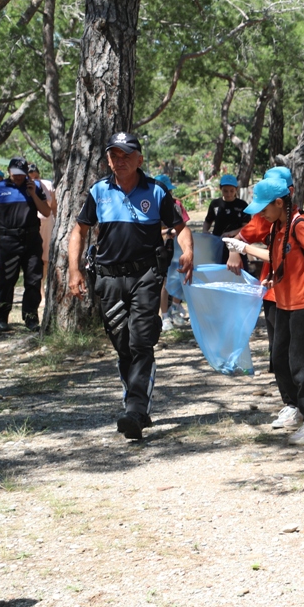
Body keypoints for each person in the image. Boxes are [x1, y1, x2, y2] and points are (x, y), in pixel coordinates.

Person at [67, 132, 193, 440]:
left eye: (126, 155)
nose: (119, 161)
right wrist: (74, 271)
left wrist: (187, 250)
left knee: (141, 341)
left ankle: (136, 410)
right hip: (108, 279)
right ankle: (134, 403)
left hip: (145, 277)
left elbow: (180, 228)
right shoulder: (98, 191)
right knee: (123, 345)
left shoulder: (157, 191)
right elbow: (78, 232)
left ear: (139, 159)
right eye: (114, 155)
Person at [226, 177, 304, 445]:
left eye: (264, 209)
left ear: (280, 202)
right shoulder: (277, 226)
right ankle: (299, 411)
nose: (261, 214)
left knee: (302, 364)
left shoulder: (299, 225)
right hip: (283, 303)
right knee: (280, 358)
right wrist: (246, 249)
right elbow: (277, 259)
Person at [231, 166, 293, 391]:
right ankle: (290, 401)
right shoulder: (262, 218)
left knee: (294, 351)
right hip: (271, 292)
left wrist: (244, 248)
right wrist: (234, 251)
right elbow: (239, 237)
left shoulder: (298, 223)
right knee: (277, 349)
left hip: (297, 294)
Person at [0, 158, 51, 331]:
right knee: (6, 280)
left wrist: (33, 194)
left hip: (32, 240)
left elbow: (46, 211)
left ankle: (31, 318)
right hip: (8, 241)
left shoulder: (36, 187)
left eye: (21, 174)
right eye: (15, 174)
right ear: (9, 172)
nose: (18, 178)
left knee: (33, 280)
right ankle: (2, 317)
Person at [153, 174, 190, 331]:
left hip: (177, 250)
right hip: (161, 251)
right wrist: (167, 232)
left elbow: (184, 227)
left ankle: (176, 306)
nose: (167, 194)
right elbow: (152, 232)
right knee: (164, 284)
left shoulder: (177, 204)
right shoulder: (153, 207)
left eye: (168, 191)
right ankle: (165, 315)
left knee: (180, 277)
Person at [28, 163, 57, 275]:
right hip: (33, 224)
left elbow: (53, 206)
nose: (34, 179)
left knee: (46, 256)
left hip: (48, 224)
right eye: (31, 177)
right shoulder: (25, 187)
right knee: (35, 255)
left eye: (36, 177)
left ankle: (43, 284)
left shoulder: (47, 184)